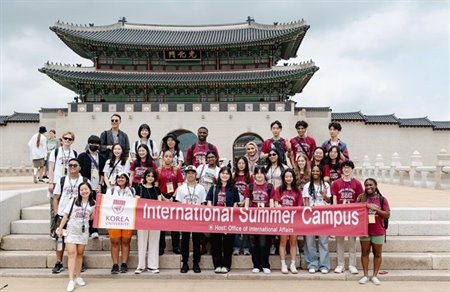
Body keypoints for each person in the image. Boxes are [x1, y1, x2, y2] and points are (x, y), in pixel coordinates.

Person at [56, 182, 95, 292]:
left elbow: (91, 218)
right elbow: (66, 215)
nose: (84, 191)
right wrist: (60, 228)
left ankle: (78, 276)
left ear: (90, 190)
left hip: (83, 231)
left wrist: (97, 210)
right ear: (79, 191)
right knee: (72, 253)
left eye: (86, 189)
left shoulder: (93, 204)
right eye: (81, 190)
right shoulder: (73, 200)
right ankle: (71, 280)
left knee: (80, 254)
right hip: (72, 230)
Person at [51, 158, 88, 274]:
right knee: (59, 239)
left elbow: (89, 196)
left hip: (78, 216)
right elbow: (56, 198)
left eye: (75, 165)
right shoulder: (62, 180)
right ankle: (59, 261)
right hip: (63, 214)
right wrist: (56, 212)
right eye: (70, 165)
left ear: (79, 167)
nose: (72, 167)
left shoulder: (84, 180)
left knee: (78, 238)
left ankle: (78, 262)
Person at [330, 160, 363, 275]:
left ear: (352, 169)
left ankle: (352, 265)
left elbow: (360, 200)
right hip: (340, 215)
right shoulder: (336, 183)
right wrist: (334, 212)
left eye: (348, 167)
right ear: (341, 170)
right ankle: (340, 264)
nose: (346, 170)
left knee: (352, 241)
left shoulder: (357, 184)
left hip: (352, 216)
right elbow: (334, 199)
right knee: (339, 241)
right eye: (344, 168)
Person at [357, 178, 390, 285]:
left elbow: (387, 215)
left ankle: (375, 275)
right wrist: (360, 203)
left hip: (378, 229)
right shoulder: (362, 198)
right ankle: (365, 275)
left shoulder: (382, 199)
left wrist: (374, 209)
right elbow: (355, 211)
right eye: (366, 185)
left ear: (376, 185)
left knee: (377, 253)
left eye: (371, 185)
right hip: (365, 230)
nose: (368, 187)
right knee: (365, 252)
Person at [207, 166, 240, 274]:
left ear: (230, 176)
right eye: (223, 173)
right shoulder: (214, 188)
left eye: (227, 173)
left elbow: (235, 206)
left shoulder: (234, 189)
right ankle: (217, 265)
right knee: (216, 243)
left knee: (227, 243)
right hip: (216, 219)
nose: (224, 175)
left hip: (229, 220)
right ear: (219, 174)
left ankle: (226, 265)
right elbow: (209, 204)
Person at [175, 165, 207, 273]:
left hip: (197, 218)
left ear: (196, 175)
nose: (190, 175)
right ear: (186, 174)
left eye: (192, 173)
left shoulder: (201, 188)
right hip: (185, 218)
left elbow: (203, 203)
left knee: (197, 241)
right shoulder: (181, 188)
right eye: (188, 173)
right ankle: (185, 263)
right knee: (184, 241)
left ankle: (196, 263)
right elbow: (178, 203)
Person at [245, 166, 274, 274]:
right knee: (253, 243)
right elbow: (247, 203)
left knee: (263, 243)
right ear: (254, 175)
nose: (259, 175)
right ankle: (256, 264)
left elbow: (271, 203)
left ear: (264, 174)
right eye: (257, 173)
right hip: (252, 218)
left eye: (262, 173)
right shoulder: (250, 187)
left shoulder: (270, 187)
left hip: (265, 218)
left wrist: (267, 209)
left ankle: (265, 264)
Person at [302, 164, 331, 274]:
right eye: (313, 171)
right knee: (310, 242)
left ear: (321, 173)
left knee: (323, 241)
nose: (315, 173)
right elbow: (305, 202)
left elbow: (329, 201)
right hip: (310, 217)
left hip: (323, 216)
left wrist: (325, 196)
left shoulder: (326, 185)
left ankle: (324, 265)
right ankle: (312, 263)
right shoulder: (307, 186)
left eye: (317, 171)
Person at [274, 169, 302, 274]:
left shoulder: (297, 191)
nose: (288, 178)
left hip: (294, 220)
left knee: (293, 242)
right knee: (283, 242)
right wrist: (278, 205)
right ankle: (283, 264)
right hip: (282, 220)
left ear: (293, 178)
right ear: (283, 178)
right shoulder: (279, 190)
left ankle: (293, 264)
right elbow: (276, 203)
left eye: (290, 176)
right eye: (286, 177)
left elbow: (300, 206)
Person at [106, 172, 135, 274]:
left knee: (126, 242)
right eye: (118, 178)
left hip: (127, 220)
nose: (120, 179)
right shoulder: (111, 190)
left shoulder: (131, 190)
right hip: (114, 220)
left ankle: (124, 264)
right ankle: (115, 264)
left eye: (122, 178)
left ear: (127, 179)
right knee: (114, 242)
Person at [134, 168, 162, 274]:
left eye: (152, 176)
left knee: (154, 242)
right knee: (141, 241)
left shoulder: (157, 189)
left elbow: (160, 204)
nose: (150, 178)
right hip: (142, 219)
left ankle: (153, 266)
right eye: (148, 175)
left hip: (155, 219)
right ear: (145, 176)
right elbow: (137, 202)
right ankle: (141, 266)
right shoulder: (139, 188)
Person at [77, 135, 106, 238]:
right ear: (88, 144)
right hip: (86, 187)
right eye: (92, 143)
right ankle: (85, 229)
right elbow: (78, 171)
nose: (94, 145)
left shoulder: (102, 157)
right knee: (85, 207)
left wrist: (100, 185)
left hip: (96, 186)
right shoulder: (82, 156)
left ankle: (94, 229)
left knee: (94, 208)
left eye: (96, 143)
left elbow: (103, 172)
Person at [158, 150, 183, 255]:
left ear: (173, 158)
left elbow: (180, 185)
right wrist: (163, 197)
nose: (168, 158)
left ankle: (176, 246)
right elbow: (155, 185)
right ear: (163, 158)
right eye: (166, 156)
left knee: (174, 224)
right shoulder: (158, 170)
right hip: (162, 197)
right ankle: (161, 247)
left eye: (170, 156)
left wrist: (173, 197)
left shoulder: (177, 170)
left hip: (173, 197)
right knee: (161, 225)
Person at [232, 156, 253, 256]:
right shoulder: (233, 176)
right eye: (239, 163)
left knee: (245, 227)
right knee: (235, 226)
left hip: (246, 204)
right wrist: (236, 202)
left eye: (243, 163)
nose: (241, 165)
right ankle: (236, 247)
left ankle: (246, 247)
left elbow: (252, 190)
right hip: (236, 204)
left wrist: (245, 202)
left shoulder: (250, 176)